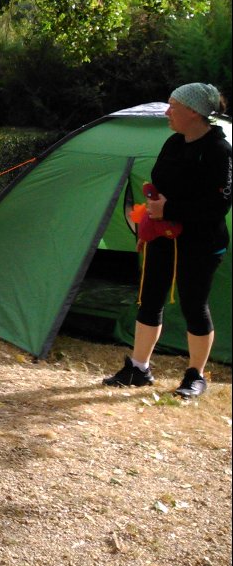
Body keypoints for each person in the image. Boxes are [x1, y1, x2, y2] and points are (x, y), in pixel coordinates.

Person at [104, 83, 231, 398]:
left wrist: (170, 208)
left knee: (193, 305)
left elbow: (219, 206)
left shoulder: (219, 150)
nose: (166, 112)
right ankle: (139, 368)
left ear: (193, 112)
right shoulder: (174, 143)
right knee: (150, 300)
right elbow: (160, 181)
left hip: (201, 242)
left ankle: (195, 375)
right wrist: (152, 208)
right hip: (163, 237)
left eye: (173, 106)